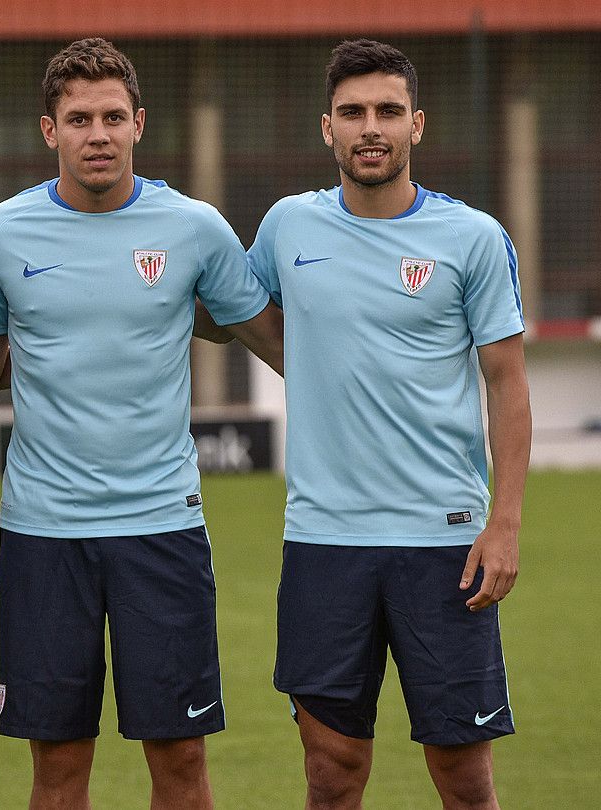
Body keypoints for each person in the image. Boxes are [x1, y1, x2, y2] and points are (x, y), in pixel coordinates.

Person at [0, 38, 283, 810]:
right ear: (48, 130)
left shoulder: (194, 227)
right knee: (58, 767)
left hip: (161, 527)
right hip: (41, 533)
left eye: (112, 117)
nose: (97, 133)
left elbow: (277, 342)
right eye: (79, 119)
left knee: (182, 761)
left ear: (139, 125)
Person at [246, 39, 530, 810]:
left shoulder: (472, 237)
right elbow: (233, 311)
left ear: (417, 125)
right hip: (324, 541)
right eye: (353, 112)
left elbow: (506, 384)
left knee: (463, 776)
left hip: (445, 541)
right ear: (327, 128)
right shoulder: (286, 227)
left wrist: (503, 523)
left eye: (388, 111)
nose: (371, 127)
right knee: (330, 771)